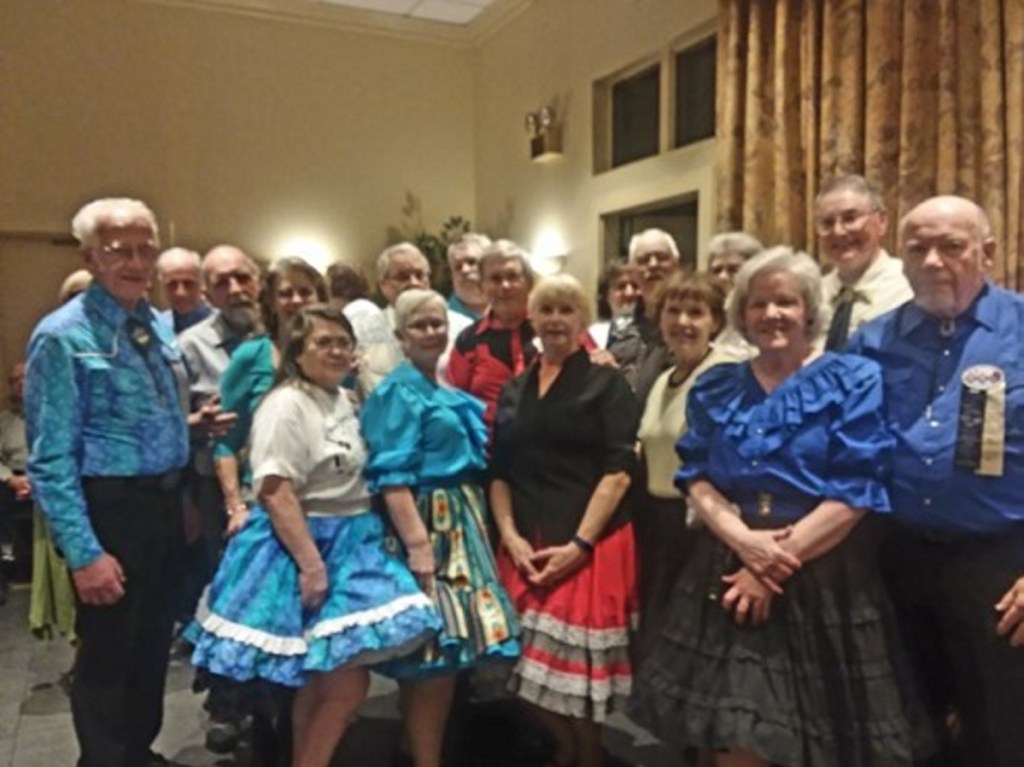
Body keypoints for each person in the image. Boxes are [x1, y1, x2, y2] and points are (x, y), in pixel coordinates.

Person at [632, 247, 932, 767]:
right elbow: (695, 476)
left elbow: (856, 487)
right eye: (759, 304)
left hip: (823, 575)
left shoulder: (853, 379)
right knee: (725, 734)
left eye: (786, 303)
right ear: (742, 316)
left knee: (813, 741)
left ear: (810, 311)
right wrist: (746, 544)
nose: (772, 314)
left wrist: (771, 565)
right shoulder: (718, 384)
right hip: (726, 568)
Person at [188, 304, 441, 767]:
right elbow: (275, 489)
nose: (337, 350)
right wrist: (311, 565)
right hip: (309, 541)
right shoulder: (285, 404)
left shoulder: (343, 398)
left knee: (326, 681)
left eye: (343, 342)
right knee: (345, 682)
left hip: (354, 538)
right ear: (296, 353)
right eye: (323, 343)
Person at [847, 195, 1024, 767]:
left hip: (997, 563)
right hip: (896, 558)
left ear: (988, 253)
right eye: (917, 247)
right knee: (904, 729)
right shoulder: (872, 341)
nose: (931, 261)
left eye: (950, 246)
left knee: (1002, 729)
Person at [25, 197, 190, 767]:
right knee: (110, 659)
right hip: (111, 511)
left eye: (147, 249)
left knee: (150, 651)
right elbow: (51, 458)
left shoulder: (152, 324)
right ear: (91, 257)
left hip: (163, 508)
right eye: (122, 250)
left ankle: (136, 752)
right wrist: (84, 552)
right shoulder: (63, 337)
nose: (138, 261)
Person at [362, 288, 521, 767]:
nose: (431, 332)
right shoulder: (396, 392)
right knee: (433, 656)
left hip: (462, 518)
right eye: (420, 326)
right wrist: (418, 547)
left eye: (437, 323)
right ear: (400, 336)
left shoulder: (442, 386)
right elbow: (392, 478)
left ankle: (419, 749)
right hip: (431, 524)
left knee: (443, 655)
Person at [491, 274, 639, 767]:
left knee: (578, 681)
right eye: (546, 309)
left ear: (582, 320)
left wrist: (580, 544)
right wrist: (509, 535)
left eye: (567, 310)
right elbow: (500, 471)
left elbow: (619, 472)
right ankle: (566, 747)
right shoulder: (515, 388)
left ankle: (586, 754)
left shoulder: (606, 381)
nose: (556, 319)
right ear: (531, 317)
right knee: (515, 668)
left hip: (586, 541)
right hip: (525, 540)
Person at [207, 255, 327, 762]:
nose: (297, 301)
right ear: (270, 300)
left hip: (330, 520)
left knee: (323, 655)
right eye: (286, 292)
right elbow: (223, 440)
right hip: (273, 517)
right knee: (275, 652)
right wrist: (235, 503)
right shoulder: (254, 355)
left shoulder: (335, 352)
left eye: (306, 291)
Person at [633, 273, 737, 660]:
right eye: (673, 311)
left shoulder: (726, 372)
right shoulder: (662, 379)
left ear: (716, 322)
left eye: (696, 312)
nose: (683, 322)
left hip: (700, 523)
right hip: (659, 520)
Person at [175, 245, 261, 626]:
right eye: (222, 282)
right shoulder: (189, 347)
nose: (236, 288)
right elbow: (173, 424)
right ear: (207, 295)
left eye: (242, 277)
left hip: (283, 480)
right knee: (232, 586)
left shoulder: (284, 336)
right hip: (215, 487)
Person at [447, 239, 538, 434]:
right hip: (488, 454)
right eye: (495, 279)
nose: (505, 286)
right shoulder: (468, 341)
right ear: (482, 287)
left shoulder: (552, 327)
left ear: (529, 283)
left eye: (513, 276)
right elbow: (455, 403)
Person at [815, 174, 912, 350]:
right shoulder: (812, 295)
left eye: (850, 218)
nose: (838, 231)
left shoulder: (911, 288)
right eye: (827, 223)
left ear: (881, 221)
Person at [360, 242, 472, 392]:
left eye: (419, 275)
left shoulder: (463, 327)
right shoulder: (363, 331)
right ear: (383, 285)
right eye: (403, 277)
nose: (413, 282)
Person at [607, 228, 683, 399]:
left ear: (676, 264)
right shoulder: (620, 323)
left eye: (662, 258)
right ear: (633, 271)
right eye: (643, 260)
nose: (653, 264)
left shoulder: (687, 319)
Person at [0, 361, 30, 604]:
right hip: (13, 479)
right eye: (14, 380)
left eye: (25, 378)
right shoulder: (4, 421)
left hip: (48, 478)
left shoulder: (53, 414)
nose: (20, 384)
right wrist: (11, 479)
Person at [155, 247, 213, 333]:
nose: (180, 292)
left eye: (188, 283)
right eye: (172, 284)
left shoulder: (222, 326)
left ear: (202, 283)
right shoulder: (157, 327)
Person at [587, 261, 640, 349]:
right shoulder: (594, 335)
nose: (630, 293)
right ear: (606, 296)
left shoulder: (652, 333)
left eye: (635, 286)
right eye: (621, 287)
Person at [446, 232, 492, 320]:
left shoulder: (512, 312)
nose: (464, 270)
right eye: (458, 267)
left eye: (471, 262)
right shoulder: (441, 320)